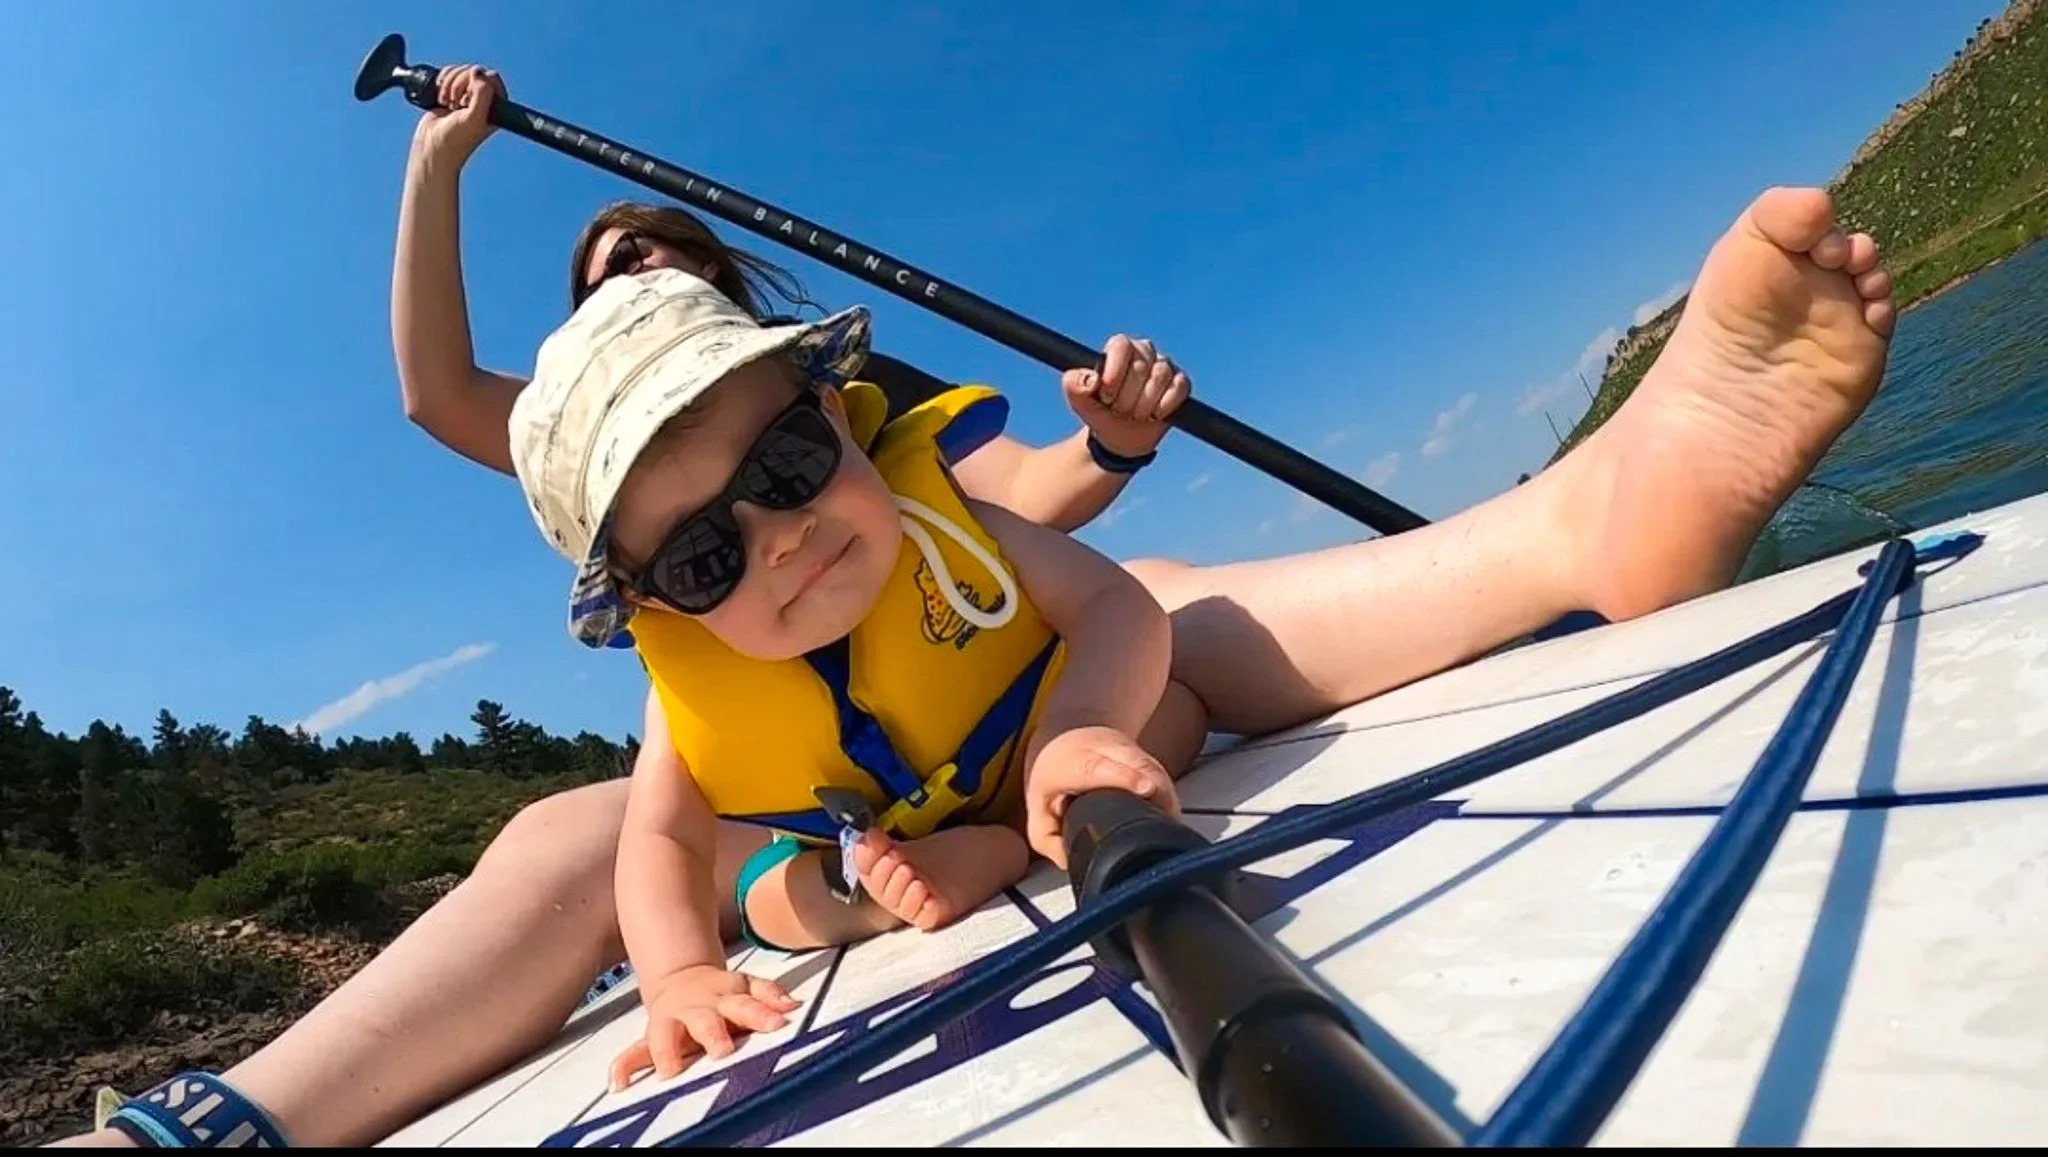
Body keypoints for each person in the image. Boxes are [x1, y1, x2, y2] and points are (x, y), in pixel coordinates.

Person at [57, 65, 1898, 1149]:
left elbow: (1038, 534)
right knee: (594, 828)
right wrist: (436, 161)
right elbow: (446, 410)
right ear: (634, 565)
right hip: (850, 830)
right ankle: (238, 1117)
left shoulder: (875, 471)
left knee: (1168, 607)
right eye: (694, 551)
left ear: (807, 388)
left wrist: (1102, 460)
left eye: (778, 465)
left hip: (1032, 719)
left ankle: (1580, 526)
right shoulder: (647, 519)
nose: (761, 532)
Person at [512, 269, 1214, 1089]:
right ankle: (902, 889)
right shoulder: (684, 695)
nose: (779, 537)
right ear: (654, 601)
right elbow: (660, 838)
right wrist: (677, 977)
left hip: (1040, 755)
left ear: (836, 414)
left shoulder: (945, 527)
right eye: (702, 557)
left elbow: (1116, 607)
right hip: (868, 850)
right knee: (769, 896)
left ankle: (1017, 825)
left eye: (787, 465)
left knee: (1172, 715)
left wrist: (1080, 726)